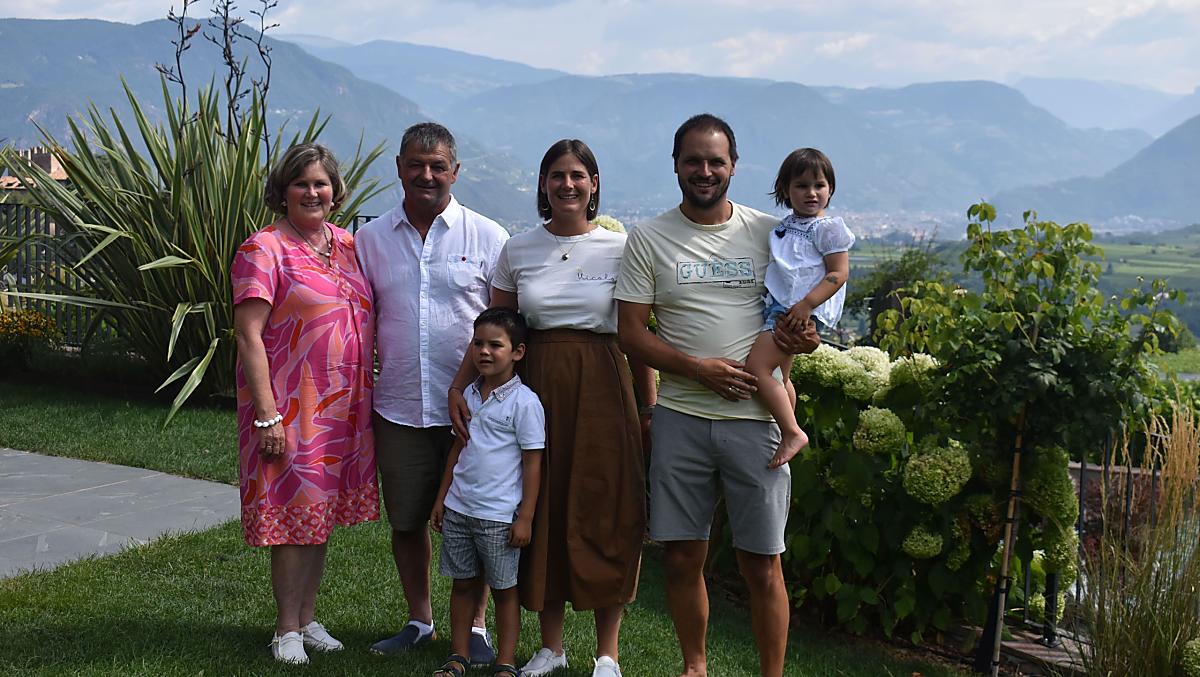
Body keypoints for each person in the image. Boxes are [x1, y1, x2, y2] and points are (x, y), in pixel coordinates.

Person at [614, 114, 816, 677]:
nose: (704, 171)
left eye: (715, 161)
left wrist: (804, 339)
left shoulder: (771, 234)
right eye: (693, 161)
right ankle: (695, 668)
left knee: (763, 564)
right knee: (682, 557)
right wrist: (697, 370)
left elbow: (802, 317)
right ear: (676, 165)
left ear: (733, 166)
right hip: (681, 417)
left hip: (758, 423)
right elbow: (631, 333)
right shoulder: (648, 238)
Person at [448, 139, 652, 677]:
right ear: (543, 184)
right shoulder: (518, 249)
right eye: (557, 175)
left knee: (605, 508)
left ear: (594, 184)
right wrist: (459, 387)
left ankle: (607, 653)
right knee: (542, 509)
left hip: (604, 388)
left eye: (578, 175)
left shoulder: (621, 247)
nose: (567, 184)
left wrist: (648, 407)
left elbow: (635, 334)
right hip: (535, 391)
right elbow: (496, 330)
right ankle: (551, 646)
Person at [356, 122, 509, 664]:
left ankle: (476, 627)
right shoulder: (369, 240)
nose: (427, 175)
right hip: (398, 406)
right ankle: (420, 620)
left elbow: (501, 326)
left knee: (480, 521)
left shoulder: (488, 237)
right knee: (406, 520)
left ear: (455, 171)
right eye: (416, 165)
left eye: (437, 165)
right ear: (399, 168)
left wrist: (477, 388)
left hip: (474, 410)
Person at [231, 142, 379, 665]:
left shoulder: (346, 244)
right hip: (291, 409)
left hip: (343, 410)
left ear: (335, 190)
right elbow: (248, 335)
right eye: (301, 183)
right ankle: (286, 628)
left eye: (321, 183)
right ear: (283, 191)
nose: (313, 192)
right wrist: (268, 415)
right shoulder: (264, 248)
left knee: (318, 518)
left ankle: (308, 618)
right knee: (293, 518)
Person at [430, 307, 545, 677]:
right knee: (463, 584)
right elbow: (457, 449)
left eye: (495, 345)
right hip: (460, 509)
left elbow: (532, 463)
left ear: (517, 352)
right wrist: (442, 499)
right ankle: (458, 656)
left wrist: (525, 517)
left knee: (503, 590)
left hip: (498, 517)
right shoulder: (468, 394)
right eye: (477, 343)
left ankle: (505, 663)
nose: (484, 351)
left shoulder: (525, 403)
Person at [745, 147, 854, 467]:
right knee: (780, 376)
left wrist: (806, 306)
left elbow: (839, 273)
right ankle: (786, 431)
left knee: (757, 369)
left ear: (830, 189)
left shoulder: (828, 228)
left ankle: (791, 432)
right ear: (785, 190)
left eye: (819, 185)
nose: (811, 193)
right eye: (802, 185)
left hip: (795, 311)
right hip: (782, 306)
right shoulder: (788, 225)